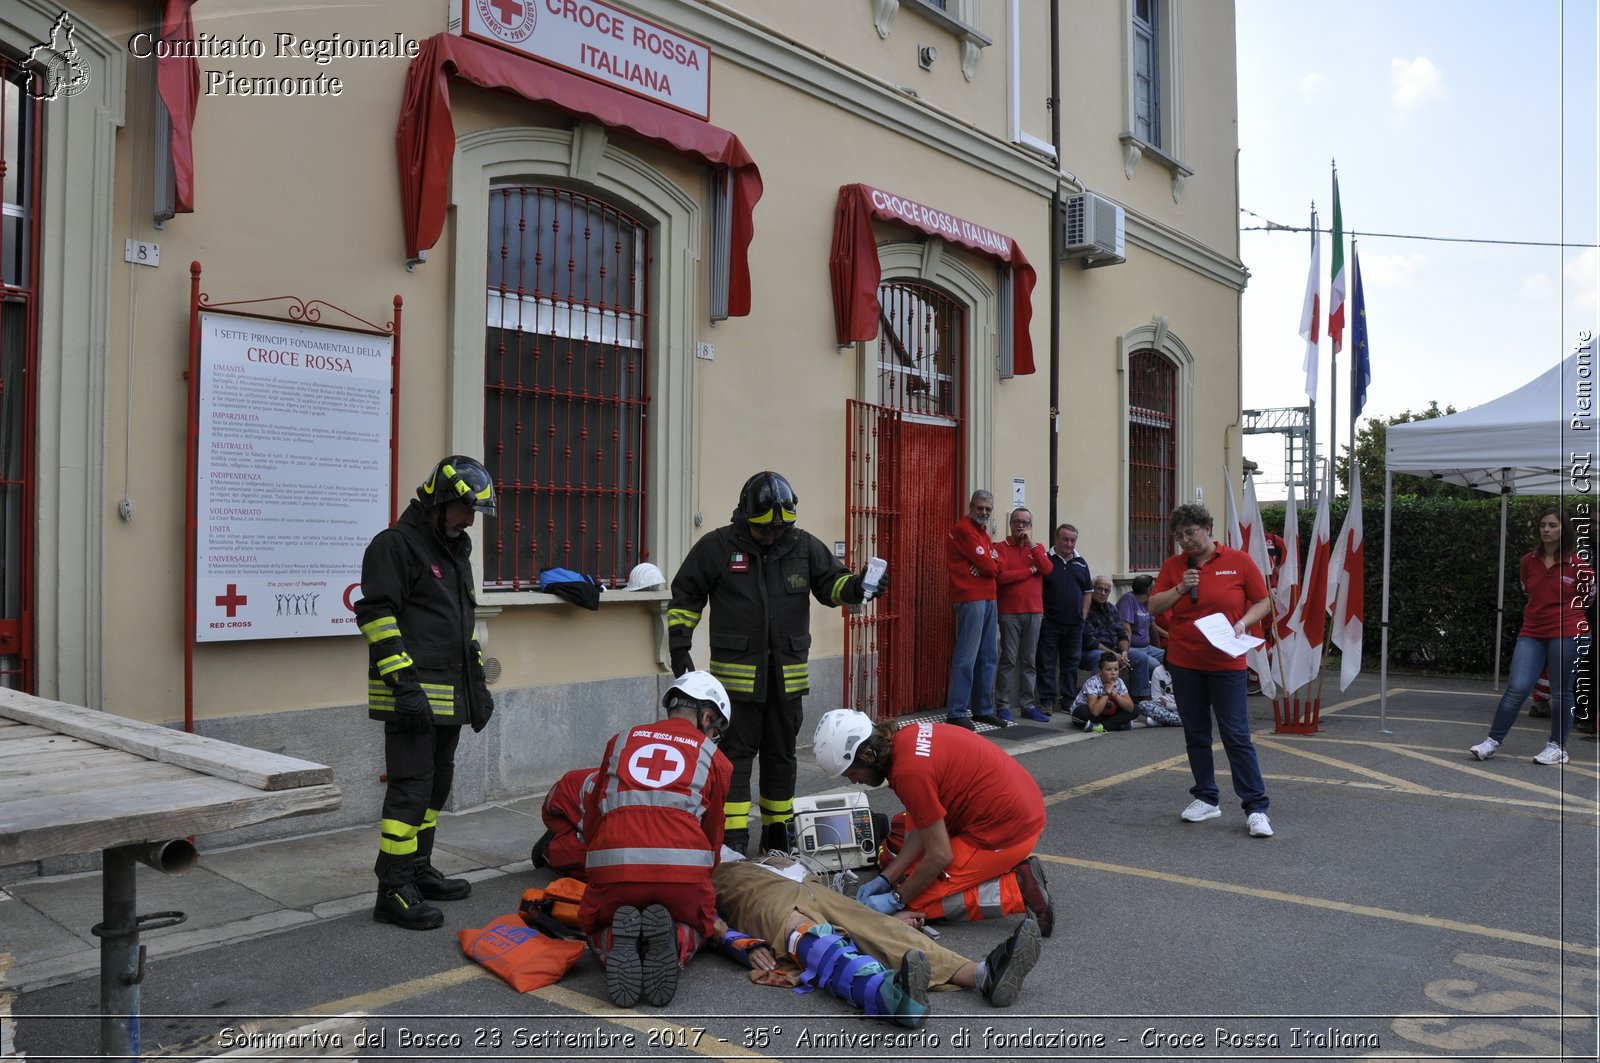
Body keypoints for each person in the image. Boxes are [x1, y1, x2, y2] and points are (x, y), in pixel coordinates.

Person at [667, 471, 878, 854]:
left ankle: (777, 834)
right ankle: (731, 837)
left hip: (787, 683)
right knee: (733, 761)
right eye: (765, 530)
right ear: (747, 518)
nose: (773, 536)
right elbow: (685, 594)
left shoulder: (803, 546)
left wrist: (859, 586)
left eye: (779, 530)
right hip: (736, 687)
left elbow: (831, 584)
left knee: (782, 759)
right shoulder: (717, 546)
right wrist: (680, 648)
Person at [357, 455, 497, 931]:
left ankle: (418, 869)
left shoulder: (455, 549)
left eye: (474, 510)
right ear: (438, 500)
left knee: (435, 788)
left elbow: (462, 627)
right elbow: (377, 617)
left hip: (448, 696)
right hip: (412, 696)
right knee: (409, 792)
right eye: (463, 507)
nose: (469, 518)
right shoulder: (395, 546)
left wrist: (476, 686)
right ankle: (392, 889)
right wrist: (403, 686)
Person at [709, 855, 1042, 1022]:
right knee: (809, 935)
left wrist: (888, 916)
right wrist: (741, 944)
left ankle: (984, 974)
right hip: (754, 893)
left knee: (886, 931)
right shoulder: (705, 864)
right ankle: (889, 997)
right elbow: (698, 916)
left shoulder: (736, 845)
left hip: (810, 885)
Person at [812, 710, 1055, 937]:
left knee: (914, 901)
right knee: (902, 859)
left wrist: (897, 898)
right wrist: (887, 878)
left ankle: (1018, 888)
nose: (854, 781)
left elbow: (939, 855)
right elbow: (922, 821)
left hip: (1006, 832)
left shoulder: (908, 773)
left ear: (867, 755)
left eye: (852, 773)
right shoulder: (905, 738)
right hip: (1007, 810)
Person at [579, 671, 734, 1007]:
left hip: (614, 866)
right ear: (707, 716)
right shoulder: (714, 759)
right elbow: (712, 838)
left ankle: (610, 942)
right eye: (716, 730)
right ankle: (676, 939)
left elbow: (594, 816)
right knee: (702, 924)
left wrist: (600, 868)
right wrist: (700, 891)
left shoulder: (621, 740)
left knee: (592, 923)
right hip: (682, 873)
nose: (713, 738)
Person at [1147, 503, 1275, 838]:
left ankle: (1256, 807)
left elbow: (1263, 601)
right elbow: (1153, 606)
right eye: (1178, 536)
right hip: (1185, 661)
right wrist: (1179, 587)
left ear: (1208, 528)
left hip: (1226, 662)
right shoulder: (1175, 567)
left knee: (1235, 734)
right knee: (1196, 732)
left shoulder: (1239, 561)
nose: (1184, 541)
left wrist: (1242, 623)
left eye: (1190, 533)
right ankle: (1206, 797)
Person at [1469, 507, 1593, 766]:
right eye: (1543, 525)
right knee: (1517, 688)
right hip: (1533, 630)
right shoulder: (1528, 561)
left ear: (1564, 530)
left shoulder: (1579, 565)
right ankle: (1491, 742)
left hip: (1569, 631)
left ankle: (1557, 747)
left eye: (1553, 526)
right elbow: (1529, 590)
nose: (1546, 530)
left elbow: (1588, 600)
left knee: (1561, 692)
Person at [945, 490, 1003, 729]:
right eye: (980, 508)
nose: (984, 513)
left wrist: (990, 563)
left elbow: (997, 563)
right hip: (971, 598)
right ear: (971, 506)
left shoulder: (982, 532)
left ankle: (982, 709)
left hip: (988, 597)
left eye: (988, 509)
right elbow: (989, 566)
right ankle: (957, 711)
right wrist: (990, 563)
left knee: (988, 656)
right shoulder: (964, 530)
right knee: (966, 656)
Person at [995, 507, 1051, 724]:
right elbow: (1002, 577)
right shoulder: (1001, 547)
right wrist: (1029, 571)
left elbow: (1047, 569)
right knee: (1008, 660)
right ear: (1010, 524)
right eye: (1017, 522)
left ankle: (1027, 705)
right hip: (1009, 612)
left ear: (1030, 526)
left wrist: (1032, 546)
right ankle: (1003, 705)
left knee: (1029, 661)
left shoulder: (1037, 548)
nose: (1021, 526)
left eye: (1025, 523)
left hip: (1034, 611)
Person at [1036, 523, 1093, 718]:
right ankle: (1047, 700)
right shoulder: (1046, 560)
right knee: (1047, 662)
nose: (1069, 543)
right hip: (1050, 622)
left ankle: (1068, 699)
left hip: (1075, 624)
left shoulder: (1081, 562)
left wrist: (1083, 616)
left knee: (1071, 663)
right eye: (1065, 539)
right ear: (1056, 539)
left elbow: (1088, 592)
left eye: (1072, 540)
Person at [1081, 577, 1155, 701]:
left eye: (1106, 590)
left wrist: (1124, 652)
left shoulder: (1112, 609)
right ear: (1092, 589)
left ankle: (1140, 700)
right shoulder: (1085, 609)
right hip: (1091, 652)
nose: (1103, 593)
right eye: (1099, 589)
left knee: (1140, 658)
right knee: (1101, 658)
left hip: (1116, 651)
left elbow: (1122, 634)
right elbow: (1090, 641)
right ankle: (1098, 699)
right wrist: (1114, 655)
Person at [1068, 651, 1139, 732]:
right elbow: (1095, 712)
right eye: (1108, 669)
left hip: (1107, 713)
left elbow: (1130, 708)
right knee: (1080, 712)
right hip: (1091, 712)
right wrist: (1107, 692)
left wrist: (1115, 695)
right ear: (1100, 671)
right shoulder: (1092, 682)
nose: (1113, 673)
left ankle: (1101, 726)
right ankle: (1117, 724)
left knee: (1136, 709)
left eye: (1116, 669)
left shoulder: (1119, 682)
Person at [1116, 574, 1166, 662]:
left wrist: (1159, 648)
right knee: (1155, 665)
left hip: (1148, 648)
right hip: (1133, 649)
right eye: (1154, 588)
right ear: (1149, 589)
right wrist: (1125, 653)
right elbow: (1126, 629)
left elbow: (1153, 627)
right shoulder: (1128, 599)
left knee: (1171, 659)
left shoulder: (1148, 602)